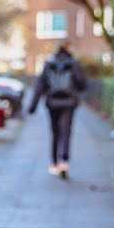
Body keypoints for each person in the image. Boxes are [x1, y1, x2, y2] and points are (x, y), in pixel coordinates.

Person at [27, 41, 88, 178]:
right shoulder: (74, 65)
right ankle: (64, 162)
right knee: (66, 131)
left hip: (52, 103)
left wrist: (32, 106)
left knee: (55, 132)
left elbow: (40, 86)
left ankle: (54, 163)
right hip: (69, 103)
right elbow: (82, 84)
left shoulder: (49, 64)